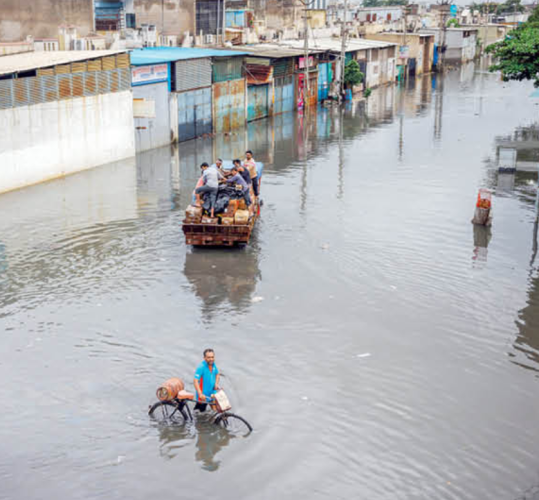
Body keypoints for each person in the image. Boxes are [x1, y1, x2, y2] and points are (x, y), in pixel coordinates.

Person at [193, 348, 220, 412]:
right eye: (208, 357)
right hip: (203, 396)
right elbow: (195, 381)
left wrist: (216, 383)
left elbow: (217, 374)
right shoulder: (201, 367)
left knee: (216, 411)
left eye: (212, 357)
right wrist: (200, 394)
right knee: (200, 414)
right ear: (204, 358)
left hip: (212, 393)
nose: (211, 359)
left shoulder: (213, 365)